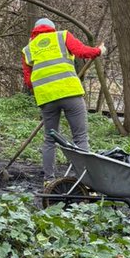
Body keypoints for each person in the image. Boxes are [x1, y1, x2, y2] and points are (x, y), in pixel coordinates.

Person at [22, 17, 106, 179]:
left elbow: (28, 81)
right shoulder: (62, 36)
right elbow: (83, 52)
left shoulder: (28, 49)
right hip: (70, 94)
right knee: (80, 138)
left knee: (49, 140)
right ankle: (84, 180)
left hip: (47, 99)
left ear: (35, 30)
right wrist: (99, 51)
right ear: (52, 29)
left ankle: (48, 180)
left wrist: (47, 88)